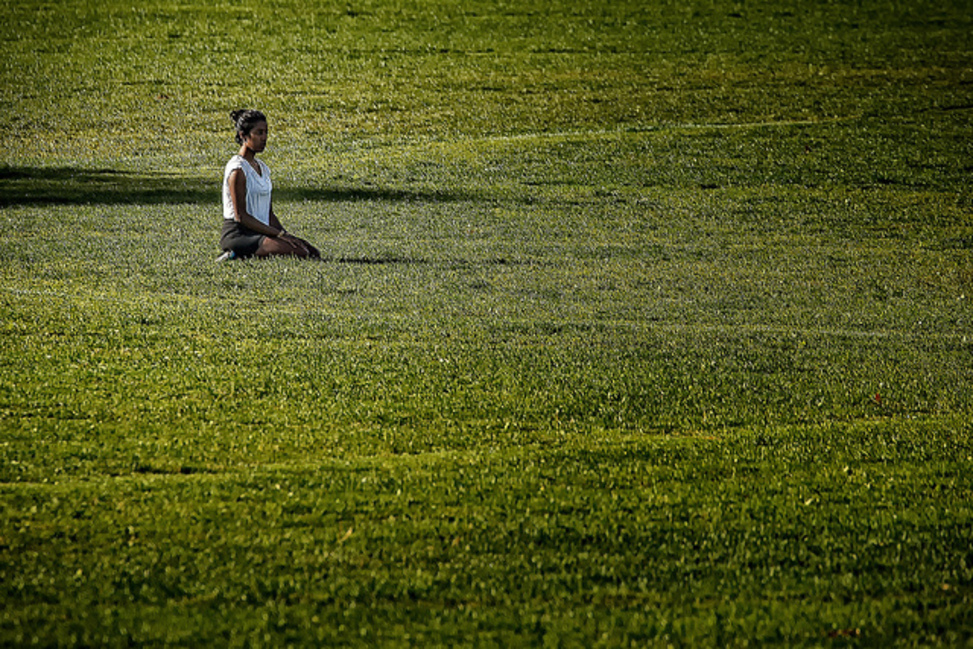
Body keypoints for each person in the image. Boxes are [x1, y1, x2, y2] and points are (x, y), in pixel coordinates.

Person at [218, 109, 321, 260]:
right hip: (240, 234)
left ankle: (248, 254)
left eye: (266, 132)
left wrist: (286, 236)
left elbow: (269, 214)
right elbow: (241, 217)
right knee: (300, 253)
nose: (264, 138)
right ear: (243, 135)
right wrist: (277, 235)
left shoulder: (263, 168)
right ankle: (236, 253)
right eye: (259, 133)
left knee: (310, 251)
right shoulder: (238, 169)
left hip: (262, 232)